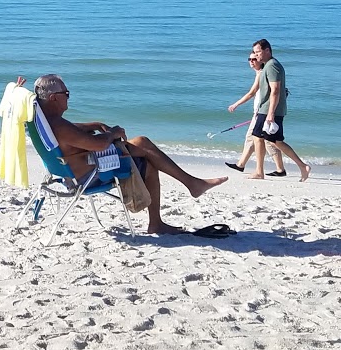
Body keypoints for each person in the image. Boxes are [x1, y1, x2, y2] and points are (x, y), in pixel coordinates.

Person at [30, 73, 226, 234]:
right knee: (143, 146)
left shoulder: (48, 122)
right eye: (66, 93)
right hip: (92, 174)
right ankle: (186, 190)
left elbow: (75, 129)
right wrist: (112, 132)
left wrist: (97, 124)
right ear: (54, 97)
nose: (68, 97)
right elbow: (98, 145)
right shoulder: (59, 126)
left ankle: (182, 195)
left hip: (70, 172)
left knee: (144, 152)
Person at [246, 40, 309, 182]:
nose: (256, 55)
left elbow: (275, 90)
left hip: (270, 109)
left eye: (258, 52)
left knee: (275, 141)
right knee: (260, 138)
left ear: (267, 50)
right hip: (266, 108)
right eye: (254, 53)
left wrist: (271, 113)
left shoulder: (272, 66)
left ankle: (302, 166)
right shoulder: (267, 66)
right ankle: (259, 171)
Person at [225, 52, 285, 176]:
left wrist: (236, 104)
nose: (252, 61)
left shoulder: (263, 72)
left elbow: (252, 93)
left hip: (262, 112)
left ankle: (245, 166)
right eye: (250, 59)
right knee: (262, 140)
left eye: (254, 59)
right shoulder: (261, 73)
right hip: (261, 112)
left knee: (262, 139)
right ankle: (242, 164)